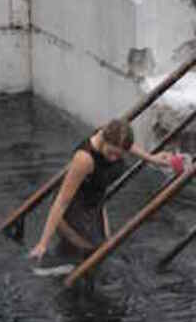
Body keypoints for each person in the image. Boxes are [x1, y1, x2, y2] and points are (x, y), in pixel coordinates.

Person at [27, 117, 182, 275]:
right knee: (93, 251)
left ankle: (70, 259)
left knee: (105, 247)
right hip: (71, 207)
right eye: (111, 153)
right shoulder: (84, 159)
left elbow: (128, 145)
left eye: (119, 155)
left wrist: (152, 159)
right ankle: (52, 265)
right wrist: (43, 243)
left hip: (94, 201)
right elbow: (62, 201)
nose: (114, 158)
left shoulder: (113, 136)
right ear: (104, 140)